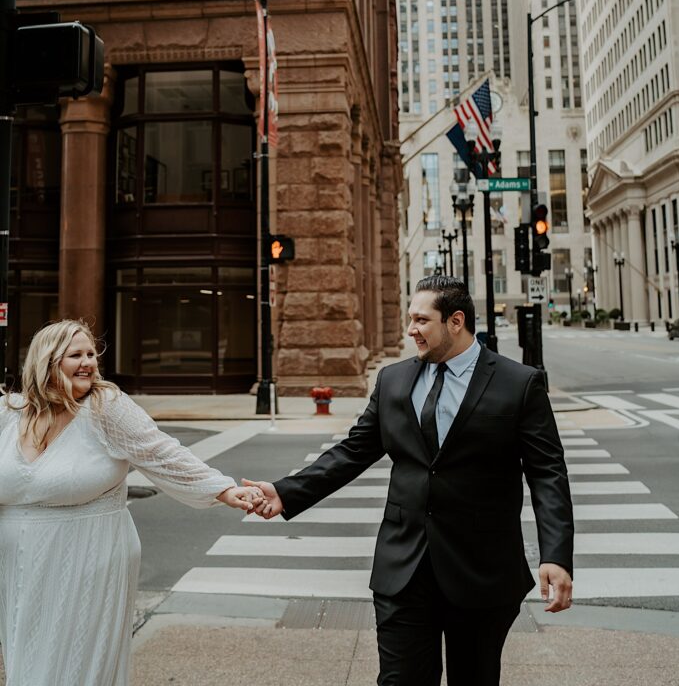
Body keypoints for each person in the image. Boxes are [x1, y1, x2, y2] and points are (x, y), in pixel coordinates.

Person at [245, 275, 574, 686]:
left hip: (481, 570)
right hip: (404, 568)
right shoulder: (393, 380)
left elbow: (547, 473)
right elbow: (353, 451)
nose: (411, 330)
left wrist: (556, 555)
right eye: (410, 318)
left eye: (421, 319)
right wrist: (286, 491)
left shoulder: (518, 383)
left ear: (456, 321)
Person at [0, 319, 261, 686]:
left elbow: (162, 452)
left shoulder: (105, 407)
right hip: (20, 567)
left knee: (74, 664)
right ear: (48, 361)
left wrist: (223, 490)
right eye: (76, 354)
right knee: (26, 661)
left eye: (92, 353)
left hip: (90, 556)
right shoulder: (10, 413)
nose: (88, 362)